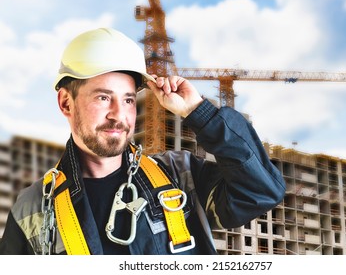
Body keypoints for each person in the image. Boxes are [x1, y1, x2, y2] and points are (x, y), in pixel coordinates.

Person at [0, 27, 285, 255]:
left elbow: (261, 191)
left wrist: (199, 112)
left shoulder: (178, 175)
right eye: (103, 97)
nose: (119, 115)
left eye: (127, 99)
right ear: (66, 103)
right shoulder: (32, 207)